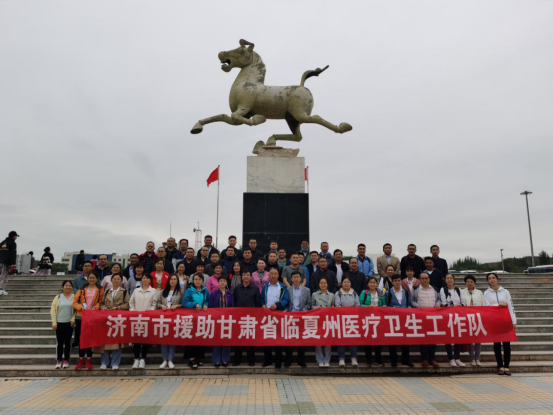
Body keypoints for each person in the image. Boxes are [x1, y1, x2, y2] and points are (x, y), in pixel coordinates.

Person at [484, 272, 516, 376]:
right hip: (494, 322)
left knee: (507, 345)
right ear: (488, 281)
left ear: (497, 279)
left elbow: (510, 306)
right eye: (489, 278)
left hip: (505, 321)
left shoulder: (505, 292)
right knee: (496, 345)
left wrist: (513, 321)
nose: (492, 280)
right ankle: (500, 366)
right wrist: (499, 305)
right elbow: (487, 307)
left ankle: (507, 366)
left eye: (493, 278)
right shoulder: (486, 293)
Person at [96, 274, 129, 370]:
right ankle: (104, 362)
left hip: (118, 319)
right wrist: (104, 308)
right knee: (105, 341)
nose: (116, 280)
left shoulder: (124, 292)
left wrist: (117, 308)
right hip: (106, 319)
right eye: (114, 279)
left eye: (118, 279)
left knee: (117, 342)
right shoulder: (107, 291)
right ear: (111, 280)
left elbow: (127, 304)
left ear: (121, 281)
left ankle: (115, 362)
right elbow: (101, 303)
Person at [72, 272, 104, 370]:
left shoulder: (100, 289)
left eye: (93, 277)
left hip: (93, 316)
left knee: (90, 339)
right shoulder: (82, 289)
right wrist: (81, 307)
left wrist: (96, 307)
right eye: (90, 277)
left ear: (97, 279)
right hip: (82, 316)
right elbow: (74, 302)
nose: (91, 279)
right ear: (88, 279)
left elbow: (101, 301)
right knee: (81, 339)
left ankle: (89, 360)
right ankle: (81, 360)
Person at [411, 273, 441, 368]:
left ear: (429, 279)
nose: (425, 280)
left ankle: (432, 359)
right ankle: (424, 359)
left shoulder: (435, 289)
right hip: (421, 317)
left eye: (426, 278)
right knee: (423, 338)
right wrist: (417, 305)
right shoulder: (415, 290)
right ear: (419, 279)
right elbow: (411, 301)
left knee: (433, 338)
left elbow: (439, 299)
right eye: (422, 278)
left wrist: (438, 304)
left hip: (433, 317)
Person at [153, 274, 183, 369]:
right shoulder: (162, 291)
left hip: (175, 318)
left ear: (177, 281)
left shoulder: (180, 292)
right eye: (171, 279)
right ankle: (164, 360)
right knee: (164, 339)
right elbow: (157, 303)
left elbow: (184, 304)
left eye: (175, 279)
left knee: (172, 340)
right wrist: (161, 305)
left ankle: (170, 360)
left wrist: (177, 306)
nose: (173, 281)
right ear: (168, 281)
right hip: (164, 318)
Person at [261, 268, 289, 368]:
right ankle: (267, 360)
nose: (273, 275)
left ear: (278, 275)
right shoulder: (265, 286)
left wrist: (277, 305)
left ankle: (278, 361)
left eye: (275, 274)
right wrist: (263, 304)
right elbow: (261, 298)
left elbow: (286, 299)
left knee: (278, 339)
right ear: (268, 276)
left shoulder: (282, 287)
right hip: (267, 315)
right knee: (267, 339)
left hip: (278, 315)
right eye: (271, 274)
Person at [233, 271, 261, 366]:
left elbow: (257, 303)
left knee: (250, 340)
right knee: (238, 339)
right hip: (239, 318)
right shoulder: (237, 288)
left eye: (247, 275)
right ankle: (237, 360)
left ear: (250, 277)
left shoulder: (255, 288)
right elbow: (235, 301)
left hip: (251, 318)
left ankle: (251, 360)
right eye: (244, 275)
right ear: (241, 277)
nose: (245, 277)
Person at [182, 273, 210, 369]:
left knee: (201, 336)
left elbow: (208, 300)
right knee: (191, 337)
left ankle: (199, 357)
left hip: (202, 318)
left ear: (202, 281)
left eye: (199, 279)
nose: (198, 281)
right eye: (196, 279)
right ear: (193, 281)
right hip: (191, 318)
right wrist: (195, 304)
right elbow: (184, 303)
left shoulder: (205, 290)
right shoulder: (189, 290)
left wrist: (206, 304)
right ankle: (191, 359)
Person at [129, 274, 157, 369]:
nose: (145, 280)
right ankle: (136, 359)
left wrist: (150, 311)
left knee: (145, 339)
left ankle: (143, 359)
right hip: (136, 318)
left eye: (147, 278)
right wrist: (133, 311)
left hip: (147, 318)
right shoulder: (136, 290)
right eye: (144, 278)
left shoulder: (153, 291)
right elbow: (131, 302)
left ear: (150, 280)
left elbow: (154, 304)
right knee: (136, 339)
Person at [285, 271, 311, 368]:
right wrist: (286, 310)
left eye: (297, 277)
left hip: (301, 317)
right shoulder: (287, 289)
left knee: (301, 340)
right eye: (294, 277)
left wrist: (305, 309)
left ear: (301, 278)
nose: (296, 279)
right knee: (289, 340)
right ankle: (288, 361)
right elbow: (286, 303)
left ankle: (301, 361)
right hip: (290, 317)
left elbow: (309, 303)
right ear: (291, 279)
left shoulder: (307, 290)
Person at [387, 274, 413, 367]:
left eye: (399, 280)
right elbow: (386, 305)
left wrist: (409, 308)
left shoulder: (405, 292)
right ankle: (394, 360)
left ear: (401, 281)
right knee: (392, 340)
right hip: (393, 319)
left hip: (404, 319)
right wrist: (391, 308)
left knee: (405, 340)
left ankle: (405, 360)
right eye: (395, 281)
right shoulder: (388, 293)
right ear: (392, 282)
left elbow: (408, 303)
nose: (397, 282)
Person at [440, 273, 466, 367]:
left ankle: (457, 358)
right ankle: (451, 358)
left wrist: (459, 306)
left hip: (458, 316)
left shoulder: (459, 290)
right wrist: (453, 306)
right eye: (447, 278)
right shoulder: (443, 289)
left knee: (458, 337)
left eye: (451, 278)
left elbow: (463, 302)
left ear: (454, 280)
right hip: (447, 317)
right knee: (448, 338)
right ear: (445, 280)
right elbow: (444, 303)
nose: (449, 280)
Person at [208, 276, 234, 367]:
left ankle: (225, 359)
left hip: (227, 320)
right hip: (217, 320)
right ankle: (217, 360)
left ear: (226, 283)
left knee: (226, 339)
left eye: (224, 281)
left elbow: (233, 306)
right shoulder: (214, 293)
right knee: (217, 340)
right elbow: (210, 306)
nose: (222, 282)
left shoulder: (230, 294)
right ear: (218, 283)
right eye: (221, 281)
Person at [359, 277, 385, 367]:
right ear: (368, 284)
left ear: (377, 284)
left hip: (378, 319)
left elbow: (383, 303)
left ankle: (378, 359)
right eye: (371, 282)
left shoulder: (380, 292)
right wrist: (367, 307)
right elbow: (360, 304)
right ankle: (368, 359)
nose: (372, 284)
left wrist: (384, 306)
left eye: (374, 282)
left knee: (378, 339)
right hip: (367, 318)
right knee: (368, 339)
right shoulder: (364, 292)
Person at [335, 276, 360, 366]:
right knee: (341, 339)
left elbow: (357, 305)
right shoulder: (338, 293)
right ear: (341, 283)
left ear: (350, 283)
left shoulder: (354, 293)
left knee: (352, 339)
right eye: (344, 282)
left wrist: (349, 310)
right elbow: (337, 306)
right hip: (341, 320)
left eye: (348, 282)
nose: (346, 283)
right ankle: (341, 358)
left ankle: (353, 358)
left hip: (352, 320)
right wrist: (349, 309)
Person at [461, 274, 485, 367]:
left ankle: (477, 358)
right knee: (470, 339)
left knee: (478, 339)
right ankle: (472, 358)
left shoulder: (479, 293)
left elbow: (483, 305)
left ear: (474, 283)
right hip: (466, 318)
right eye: (468, 281)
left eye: (471, 281)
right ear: (465, 283)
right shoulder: (462, 292)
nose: (470, 283)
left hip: (478, 318)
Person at [50, 280, 75, 369]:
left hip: (69, 323)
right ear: (62, 287)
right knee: (60, 342)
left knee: (68, 342)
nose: (68, 287)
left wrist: (73, 319)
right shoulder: (58, 297)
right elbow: (53, 310)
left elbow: (76, 310)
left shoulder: (74, 297)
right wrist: (54, 322)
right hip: (59, 322)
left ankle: (66, 360)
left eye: (69, 285)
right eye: (66, 285)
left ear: (71, 287)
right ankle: (59, 360)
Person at [311, 278, 334, 367]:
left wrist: (332, 308)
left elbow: (334, 306)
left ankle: (327, 360)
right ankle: (320, 360)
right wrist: (316, 308)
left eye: (325, 283)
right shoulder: (314, 294)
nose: (323, 285)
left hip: (328, 319)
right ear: (319, 284)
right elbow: (311, 305)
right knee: (318, 340)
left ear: (327, 284)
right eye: (321, 283)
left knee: (328, 340)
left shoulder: (331, 295)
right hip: (318, 319)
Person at [0, 231, 18, 295]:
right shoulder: (12, 243)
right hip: (6, 262)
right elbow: (13, 253)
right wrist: (12, 263)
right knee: (5, 275)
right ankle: (1, 289)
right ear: (14, 236)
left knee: (1, 275)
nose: (16, 237)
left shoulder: (2, 242)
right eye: (16, 236)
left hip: (0, 261)